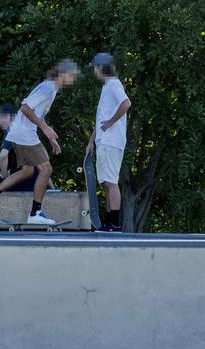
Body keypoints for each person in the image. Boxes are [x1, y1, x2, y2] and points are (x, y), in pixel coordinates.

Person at [0, 59, 79, 224]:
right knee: (46, 170)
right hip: (24, 134)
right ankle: (35, 213)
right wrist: (44, 129)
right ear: (63, 74)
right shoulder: (49, 87)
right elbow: (25, 108)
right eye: (71, 76)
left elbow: (37, 115)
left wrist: (50, 137)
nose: (72, 80)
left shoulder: (50, 88)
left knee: (27, 172)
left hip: (20, 132)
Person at [86, 53, 131, 232]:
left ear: (101, 67)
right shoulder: (107, 86)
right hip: (103, 142)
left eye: (95, 67)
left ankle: (115, 224)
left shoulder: (113, 83)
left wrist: (112, 122)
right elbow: (100, 119)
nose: (94, 71)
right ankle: (108, 221)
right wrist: (91, 142)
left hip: (112, 141)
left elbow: (126, 103)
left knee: (110, 181)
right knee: (105, 182)